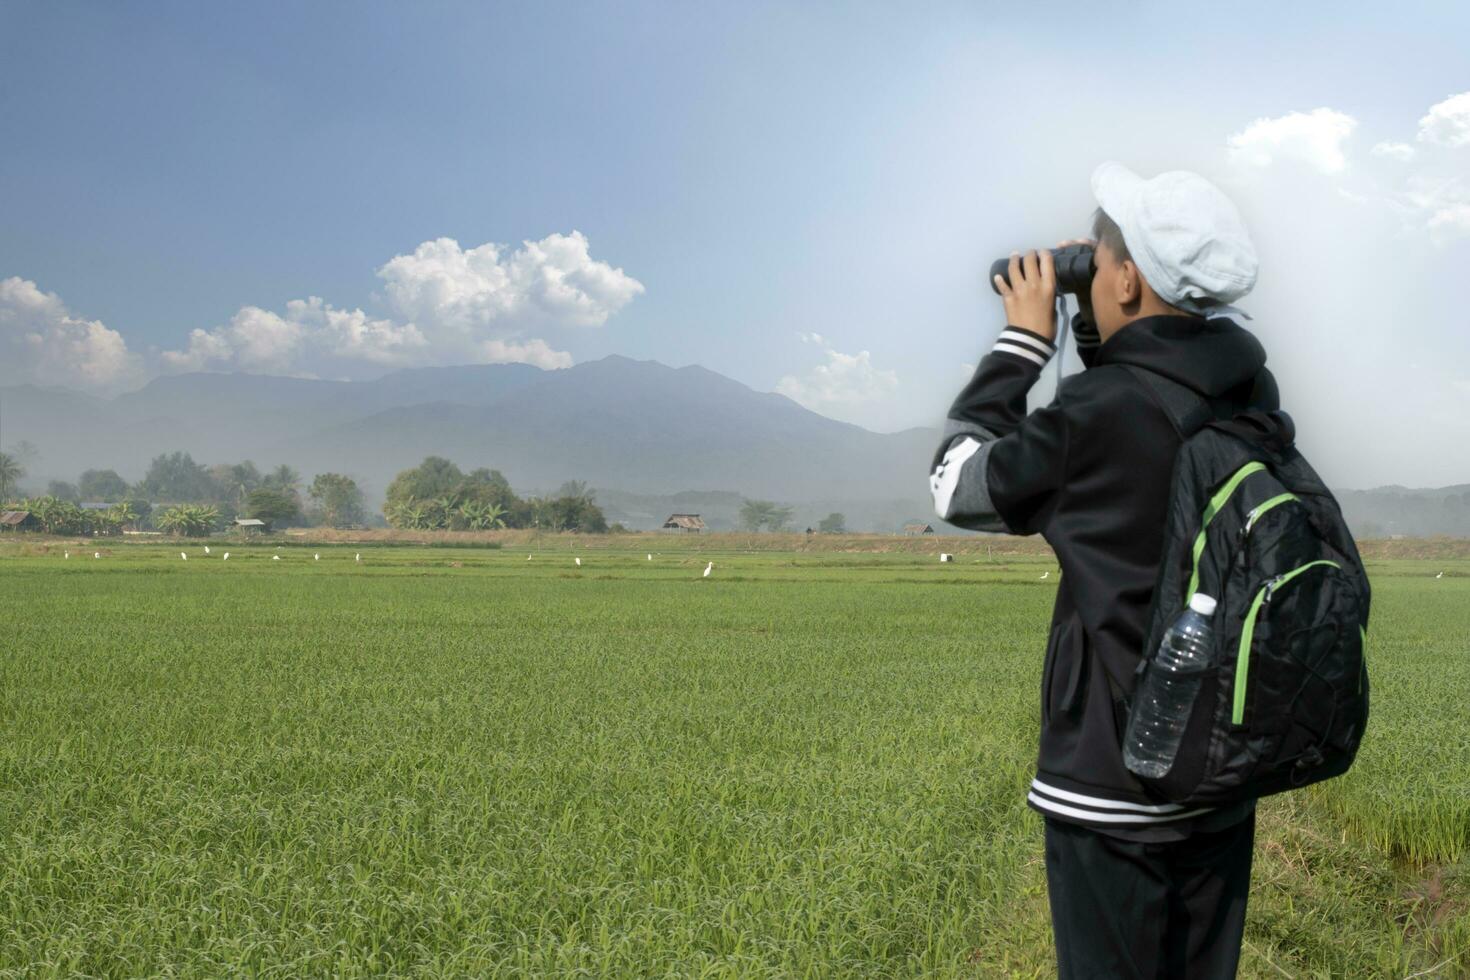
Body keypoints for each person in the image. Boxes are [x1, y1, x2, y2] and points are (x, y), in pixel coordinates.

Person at [929, 162, 1275, 978]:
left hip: (1111, 782)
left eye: (1103, 252)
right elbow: (1147, 397)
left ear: (1121, 276)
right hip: (1221, 771)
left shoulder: (1098, 413)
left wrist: (1023, 342)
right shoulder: (1251, 390)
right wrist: (1097, 323)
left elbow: (956, 485)